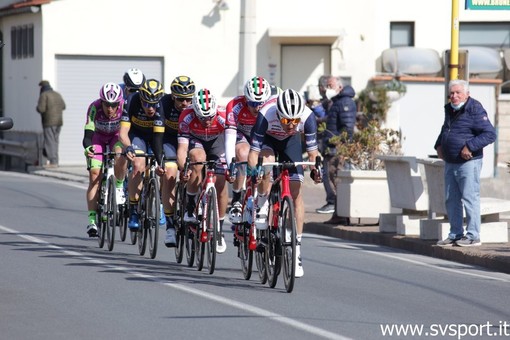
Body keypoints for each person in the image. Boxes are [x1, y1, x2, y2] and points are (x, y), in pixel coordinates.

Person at [248, 89, 322, 277]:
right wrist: (253, 171)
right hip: (269, 141)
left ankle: (296, 249)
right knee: (266, 165)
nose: (291, 124)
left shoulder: (308, 117)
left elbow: (313, 154)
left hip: (290, 143)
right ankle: (263, 204)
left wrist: (316, 170)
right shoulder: (266, 114)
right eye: (286, 120)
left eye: (295, 121)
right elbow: (253, 153)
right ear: (278, 114)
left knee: (296, 192)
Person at [435, 79, 496, 247]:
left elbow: (490, 134)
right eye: (452, 93)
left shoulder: (474, 109)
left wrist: (470, 146)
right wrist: (438, 145)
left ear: (467, 94)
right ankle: (455, 234)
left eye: (458, 93)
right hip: (450, 161)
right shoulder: (450, 109)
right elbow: (446, 129)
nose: (454, 96)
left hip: (468, 163)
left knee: (470, 198)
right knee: (451, 199)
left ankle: (473, 235)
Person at [176, 88, 230, 254]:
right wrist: (183, 168)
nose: (206, 121)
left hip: (217, 142)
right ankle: (191, 202)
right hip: (196, 140)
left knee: (221, 182)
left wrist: (230, 167)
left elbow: (230, 144)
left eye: (209, 117)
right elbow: (182, 148)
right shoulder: (187, 116)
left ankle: (219, 228)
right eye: (202, 117)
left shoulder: (223, 115)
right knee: (197, 160)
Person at [225, 76, 273, 226]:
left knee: (268, 161)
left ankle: (262, 197)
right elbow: (229, 138)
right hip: (242, 135)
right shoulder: (234, 106)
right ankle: (237, 198)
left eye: (261, 103)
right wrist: (230, 166)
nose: (257, 107)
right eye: (253, 103)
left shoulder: (272, 106)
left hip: (262, 137)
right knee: (243, 152)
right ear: (246, 99)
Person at [119, 79, 166, 231]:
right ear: (141, 99)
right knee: (138, 165)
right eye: (146, 104)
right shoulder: (132, 100)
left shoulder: (162, 105)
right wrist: (128, 147)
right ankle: (133, 209)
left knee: (165, 168)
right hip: (137, 135)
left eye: (153, 104)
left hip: (156, 137)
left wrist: (160, 162)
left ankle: (160, 204)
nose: (150, 108)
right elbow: (123, 133)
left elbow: (159, 139)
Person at [82, 83, 127, 237]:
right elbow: (88, 132)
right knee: (95, 174)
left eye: (113, 105)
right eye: (107, 104)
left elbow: (127, 132)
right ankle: (92, 220)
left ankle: (119, 186)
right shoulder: (94, 107)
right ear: (101, 101)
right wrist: (88, 147)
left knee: (120, 154)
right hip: (98, 138)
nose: (110, 109)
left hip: (116, 137)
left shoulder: (124, 107)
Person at [159, 75, 196, 247]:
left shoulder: (196, 106)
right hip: (168, 140)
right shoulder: (163, 104)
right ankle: (170, 226)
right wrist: (160, 159)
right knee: (170, 173)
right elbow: (157, 134)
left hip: (189, 140)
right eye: (181, 99)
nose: (185, 103)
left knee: (197, 170)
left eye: (188, 99)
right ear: (173, 96)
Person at [316, 76, 357, 224]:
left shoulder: (345, 102)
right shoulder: (337, 101)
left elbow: (347, 127)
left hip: (336, 149)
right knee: (332, 179)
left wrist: (337, 143)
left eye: (330, 85)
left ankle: (341, 215)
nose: (328, 88)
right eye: (327, 85)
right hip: (331, 147)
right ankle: (338, 215)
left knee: (336, 181)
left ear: (339, 86)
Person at [36, 80, 66, 168]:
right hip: (59, 122)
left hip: (49, 122)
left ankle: (53, 162)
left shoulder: (44, 95)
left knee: (50, 141)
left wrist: (37, 108)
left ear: (42, 87)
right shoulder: (57, 94)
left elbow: (41, 109)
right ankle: (56, 161)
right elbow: (64, 106)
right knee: (55, 141)